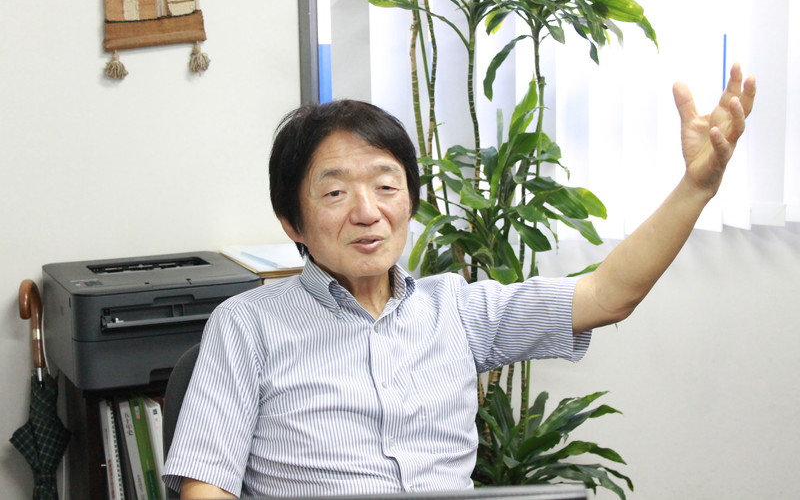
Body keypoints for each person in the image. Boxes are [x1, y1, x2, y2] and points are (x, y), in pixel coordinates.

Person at [162, 64, 756, 499]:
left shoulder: (457, 309)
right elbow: (206, 488)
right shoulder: (246, 327)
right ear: (292, 220)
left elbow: (607, 295)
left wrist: (696, 187)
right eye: (335, 192)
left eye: (386, 186)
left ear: (410, 203)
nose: (367, 211)